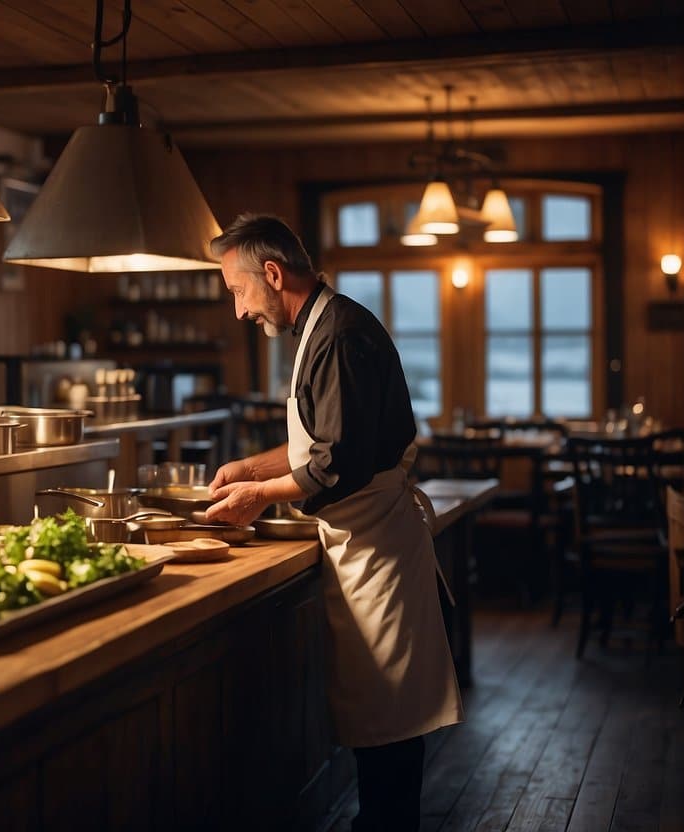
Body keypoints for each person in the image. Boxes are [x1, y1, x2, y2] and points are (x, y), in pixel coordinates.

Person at [204, 213, 463, 832]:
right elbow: (319, 447)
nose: (240, 311)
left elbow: (334, 466)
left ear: (272, 274)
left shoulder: (339, 336)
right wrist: (249, 467)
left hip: (379, 552)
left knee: (392, 729)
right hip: (365, 548)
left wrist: (259, 496)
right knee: (382, 725)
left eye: (239, 291)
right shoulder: (321, 327)